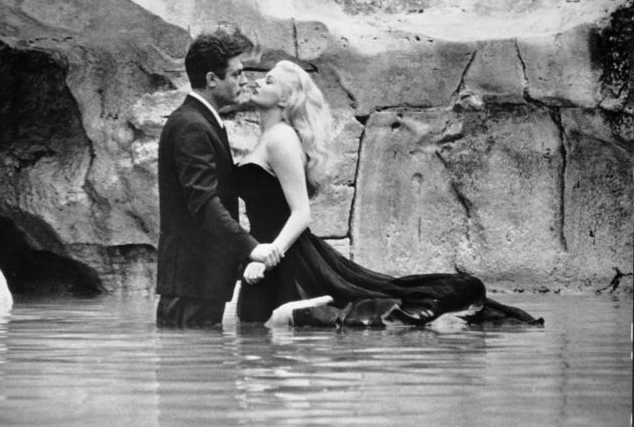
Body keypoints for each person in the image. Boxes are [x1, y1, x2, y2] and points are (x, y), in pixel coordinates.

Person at [235, 60, 543, 327]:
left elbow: (301, 213)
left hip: (283, 255)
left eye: (269, 79)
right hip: (273, 253)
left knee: (279, 322)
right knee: (256, 323)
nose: (257, 81)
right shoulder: (269, 137)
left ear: (286, 97)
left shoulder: (280, 139)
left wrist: (269, 257)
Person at [155, 29, 282, 328]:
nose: (244, 81)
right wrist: (251, 247)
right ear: (212, 79)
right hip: (191, 283)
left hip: (197, 281)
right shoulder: (192, 126)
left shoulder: (202, 120)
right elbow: (203, 202)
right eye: (236, 74)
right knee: (193, 369)